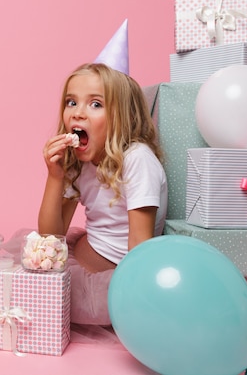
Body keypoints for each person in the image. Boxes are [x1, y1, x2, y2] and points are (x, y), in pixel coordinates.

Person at [38, 62, 168, 325]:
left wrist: (138, 305)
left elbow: (139, 248)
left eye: (95, 104)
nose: (77, 114)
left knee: (41, 297)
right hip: (77, 257)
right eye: (71, 102)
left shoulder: (137, 161)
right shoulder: (80, 162)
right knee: (32, 260)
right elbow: (50, 237)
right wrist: (55, 175)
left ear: (124, 116)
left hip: (108, 279)